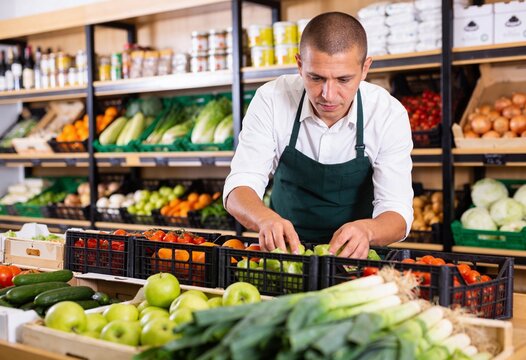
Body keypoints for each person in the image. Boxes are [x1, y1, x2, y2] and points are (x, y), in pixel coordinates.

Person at [223, 12, 413, 259]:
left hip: (355, 258)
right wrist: (265, 219)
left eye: (344, 79)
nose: (328, 95)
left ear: (365, 68)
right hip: (284, 254)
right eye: (316, 78)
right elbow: (240, 184)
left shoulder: (388, 114)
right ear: (300, 65)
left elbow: (397, 212)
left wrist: (368, 230)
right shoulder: (272, 99)